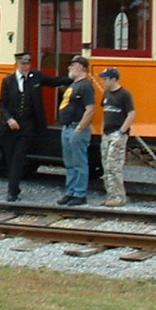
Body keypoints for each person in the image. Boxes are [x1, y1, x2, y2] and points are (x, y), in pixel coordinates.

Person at [0, 51, 71, 202]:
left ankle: (12, 192)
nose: (26, 67)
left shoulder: (36, 77)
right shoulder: (8, 81)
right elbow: (2, 104)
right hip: (10, 126)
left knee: (18, 157)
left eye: (28, 64)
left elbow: (54, 81)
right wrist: (9, 119)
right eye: (23, 64)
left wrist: (72, 79)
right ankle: (14, 186)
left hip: (27, 125)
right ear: (17, 65)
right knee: (10, 158)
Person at [57, 56, 96, 206]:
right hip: (68, 128)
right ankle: (70, 192)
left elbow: (91, 109)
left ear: (80, 67)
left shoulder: (85, 86)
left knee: (79, 163)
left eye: (72, 65)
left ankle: (80, 194)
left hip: (76, 129)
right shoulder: (75, 84)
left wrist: (80, 128)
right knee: (70, 163)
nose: (69, 68)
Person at [98, 66, 136, 207]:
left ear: (113, 79)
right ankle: (111, 195)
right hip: (106, 134)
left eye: (105, 79)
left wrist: (122, 131)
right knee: (106, 165)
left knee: (114, 166)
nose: (103, 81)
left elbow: (131, 113)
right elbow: (105, 111)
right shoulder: (107, 94)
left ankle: (119, 197)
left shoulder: (124, 94)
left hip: (117, 134)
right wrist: (103, 129)